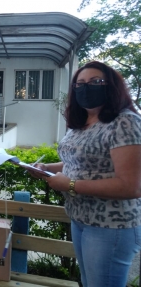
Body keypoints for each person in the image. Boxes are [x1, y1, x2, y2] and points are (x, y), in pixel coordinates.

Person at [29, 61, 141, 287]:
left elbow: (131, 186)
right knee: (88, 282)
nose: (86, 88)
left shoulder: (125, 122)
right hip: (80, 218)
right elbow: (81, 161)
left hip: (110, 225)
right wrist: (48, 168)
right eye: (79, 84)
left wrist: (70, 185)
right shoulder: (82, 122)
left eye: (95, 82)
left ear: (111, 86)